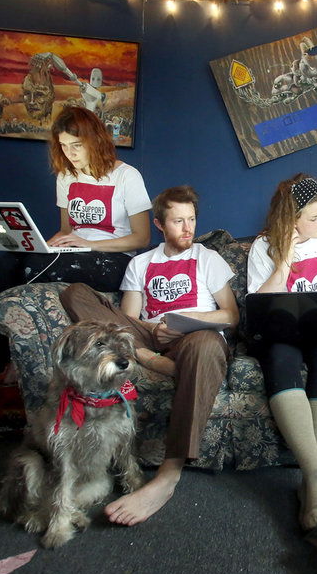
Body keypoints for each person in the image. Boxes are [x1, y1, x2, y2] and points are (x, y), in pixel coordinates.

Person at [60, 185, 239, 525]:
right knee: (76, 293)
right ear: (159, 224)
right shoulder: (141, 263)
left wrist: (190, 319)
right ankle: (151, 359)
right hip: (150, 338)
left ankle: (167, 477)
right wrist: (151, 332)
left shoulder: (207, 258)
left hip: (195, 337)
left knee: (206, 344)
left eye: (191, 220)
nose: (187, 229)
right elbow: (126, 323)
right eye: (177, 221)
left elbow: (230, 316)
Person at [0, 106, 151, 390]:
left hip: (113, 259)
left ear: (95, 139)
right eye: (64, 146)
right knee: (3, 266)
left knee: (32, 267)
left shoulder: (126, 177)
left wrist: (90, 243)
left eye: (77, 145)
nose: (70, 153)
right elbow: (67, 230)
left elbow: (141, 238)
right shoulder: (66, 177)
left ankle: (18, 365)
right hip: (74, 254)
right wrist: (48, 244)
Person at [247, 174, 317, 530]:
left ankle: (313, 481)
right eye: (315, 218)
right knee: (279, 356)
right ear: (291, 220)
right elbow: (259, 306)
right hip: (282, 333)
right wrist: (284, 261)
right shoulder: (263, 246)